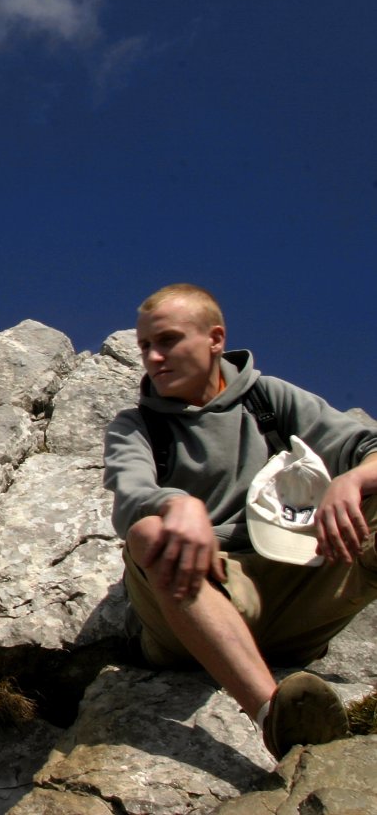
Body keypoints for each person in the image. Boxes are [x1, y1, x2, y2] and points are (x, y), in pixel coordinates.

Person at [103, 284, 377, 757]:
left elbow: (368, 448)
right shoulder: (137, 427)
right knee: (150, 533)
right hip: (204, 598)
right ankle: (275, 714)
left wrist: (350, 482)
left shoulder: (268, 400)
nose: (153, 357)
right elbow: (130, 501)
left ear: (214, 339)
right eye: (145, 346)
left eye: (167, 340)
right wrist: (175, 504)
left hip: (297, 589)